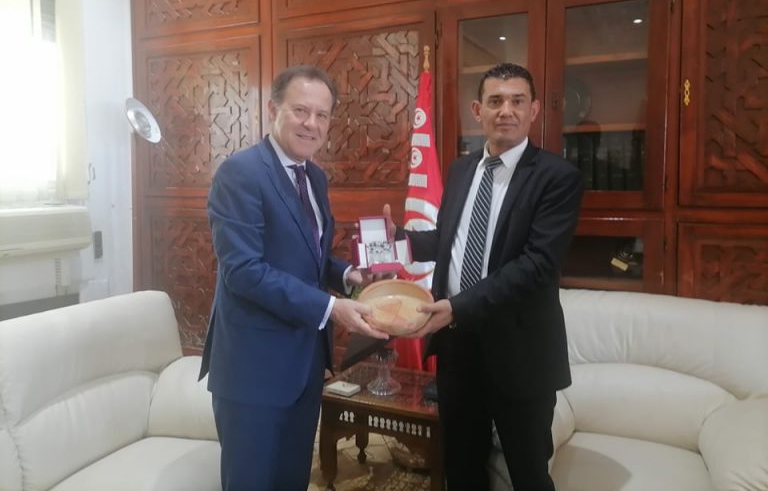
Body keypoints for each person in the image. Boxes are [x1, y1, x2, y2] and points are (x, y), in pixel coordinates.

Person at [384, 63, 584, 491]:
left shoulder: (557, 177)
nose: (505, 110)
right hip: (457, 346)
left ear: (533, 110)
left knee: (528, 473)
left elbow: (536, 265)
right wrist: (399, 240)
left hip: (520, 352)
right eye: (495, 101)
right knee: (461, 466)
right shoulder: (461, 170)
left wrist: (458, 306)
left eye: (516, 101)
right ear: (478, 110)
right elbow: (447, 240)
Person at [199, 65, 388, 490]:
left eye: (322, 115)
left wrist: (348, 274)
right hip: (253, 369)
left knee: (292, 479)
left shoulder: (314, 176)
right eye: (300, 110)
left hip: (305, 364)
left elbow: (308, 257)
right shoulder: (240, 173)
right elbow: (243, 271)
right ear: (273, 109)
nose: (311, 124)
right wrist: (330, 307)